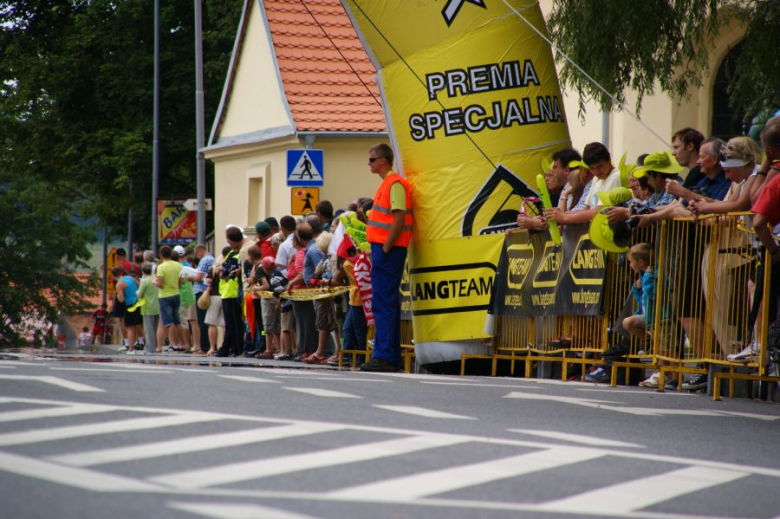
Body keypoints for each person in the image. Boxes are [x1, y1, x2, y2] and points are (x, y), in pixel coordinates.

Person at [361, 143, 413, 372]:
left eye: (371, 159)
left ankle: (384, 355)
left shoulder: (394, 184)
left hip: (388, 251)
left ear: (383, 160)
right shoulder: (388, 184)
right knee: (385, 304)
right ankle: (389, 356)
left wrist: (385, 248)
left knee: (383, 304)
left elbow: (399, 219)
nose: (369, 163)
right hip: (386, 250)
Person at [544, 142, 621, 226]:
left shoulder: (615, 177)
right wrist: (556, 215)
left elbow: (598, 211)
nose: (596, 171)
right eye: (592, 168)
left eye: (600, 166)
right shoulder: (597, 178)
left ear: (609, 160)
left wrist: (564, 217)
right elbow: (587, 210)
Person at [218, 227, 246, 357]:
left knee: (234, 325)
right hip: (227, 293)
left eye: (229, 242)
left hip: (232, 293)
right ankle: (229, 348)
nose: (229, 245)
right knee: (231, 324)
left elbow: (223, 272)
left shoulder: (235, 254)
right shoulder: (233, 253)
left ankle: (235, 349)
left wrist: (222, 272)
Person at [155, 245, 185, 352]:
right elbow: (181, 281)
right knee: (177, 321)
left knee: (168, 322)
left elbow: (160, 284)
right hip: (176, 294)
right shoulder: (178, 265)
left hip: (164, 296)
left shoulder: (161, 267)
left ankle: (174, 344)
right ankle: (182, 343)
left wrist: (155, 281)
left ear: (161, 255)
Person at [190, 244, 215, 353]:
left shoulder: (205, 260)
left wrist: (190, 277)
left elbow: (198, 277)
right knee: (207, 319)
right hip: (208, 291)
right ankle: (209, 345)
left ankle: (204, 346)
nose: (197, 256)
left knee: (202, 320)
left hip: (201, 291)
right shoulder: (212, 259)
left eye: (197, 254)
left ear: (200, 251)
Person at [112, 266, 143, 354]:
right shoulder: (131, 278)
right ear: (121, 272)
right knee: (140, 325)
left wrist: (118, 296)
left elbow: (121, 299)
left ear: (113, 276)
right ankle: (144, 343)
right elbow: (140, 286)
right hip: (139, 302)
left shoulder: (119, 284)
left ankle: (131, 348)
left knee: (130, 327)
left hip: (130, 305)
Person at [137, 263, 162, 354]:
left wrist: (136, 292)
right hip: (158, 306)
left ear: (143, 272)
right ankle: (157, 346)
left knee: (149, 330)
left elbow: (140, 294)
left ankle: (150, 348)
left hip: (148, 307)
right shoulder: (156, 280)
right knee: (157, 329)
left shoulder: (144, 281)